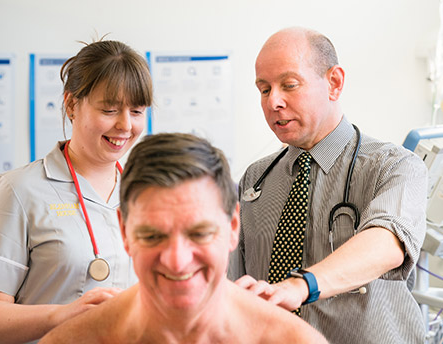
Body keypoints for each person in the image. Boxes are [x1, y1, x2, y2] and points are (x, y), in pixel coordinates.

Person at [228, 27, 428, 343]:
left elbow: (388, 241)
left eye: (289, 85)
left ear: (334, 82)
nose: (274, 101)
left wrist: (300, 286)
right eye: (264, 90)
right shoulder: (255, 179)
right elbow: (233, 285)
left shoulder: (394, 166)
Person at [39, 133, 328, 344]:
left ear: (232, 227)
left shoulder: (290, 340)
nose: (177, 262)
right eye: (153, 236)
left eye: (199, 234)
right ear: (125, 232)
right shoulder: (75, 340)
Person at [0, 39, 153, 343]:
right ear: (71, 105)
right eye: (109, 109)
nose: (124, 125)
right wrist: (63, 314)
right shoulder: (20, 190)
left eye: (137, 111)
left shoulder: (145, 193)